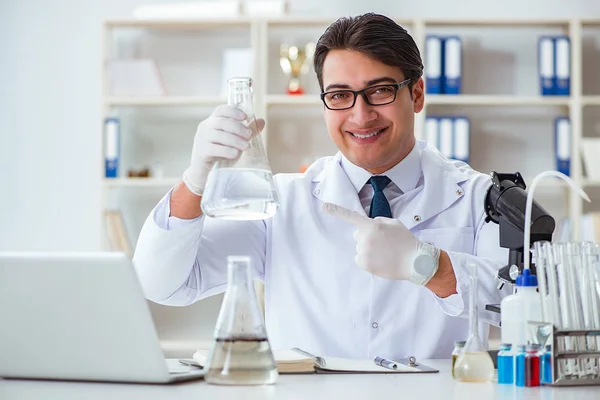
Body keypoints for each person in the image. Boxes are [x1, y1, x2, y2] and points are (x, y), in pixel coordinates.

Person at [133, 12, 511, 360]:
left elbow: (522, 310)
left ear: (416, 94)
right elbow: (162, 284)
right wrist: (195, 180)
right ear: (325, 103)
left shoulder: (480, 198)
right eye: (340, 95)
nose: (360, 116)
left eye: (379, 90)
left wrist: (430, 267)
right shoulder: (282, 203)